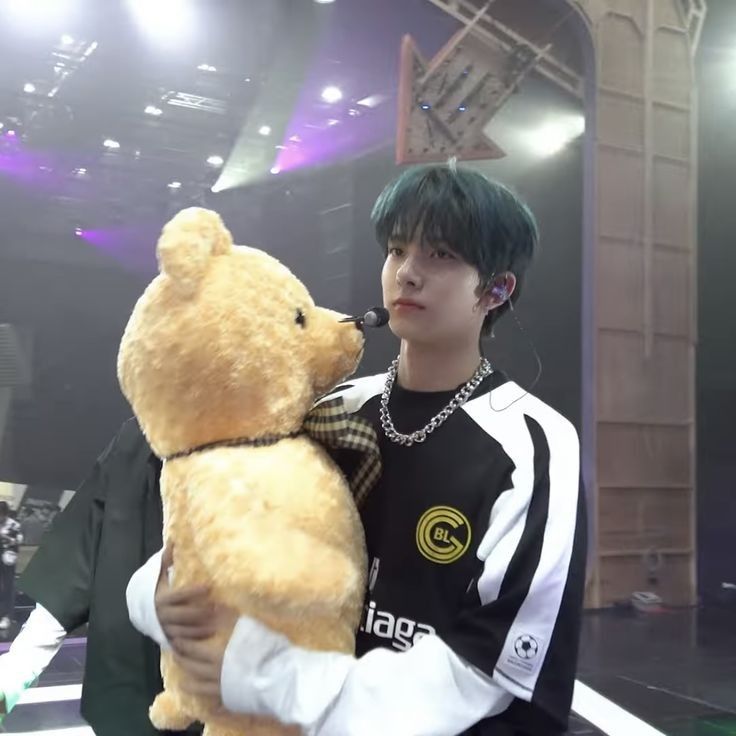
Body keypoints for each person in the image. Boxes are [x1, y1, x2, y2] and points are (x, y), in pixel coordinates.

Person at [127, 163, 588, 736]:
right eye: (397, 250)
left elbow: (486, 664)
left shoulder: (533, 442)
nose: (408, 274)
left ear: (496, 290)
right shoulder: (332, 410)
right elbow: (214, 524)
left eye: (441, 255)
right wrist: (155, 593)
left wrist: (273, 677)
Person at [0, 419, 201, 735]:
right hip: (134, 695)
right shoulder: (136, 441)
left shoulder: (262, 444)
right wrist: (13, 676)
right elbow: (78, 555)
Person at [0, 502, 22, 631]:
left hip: (7, 559)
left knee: (7, 587)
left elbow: (18, 541)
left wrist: (5, 537)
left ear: (6, 513)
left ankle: (7, 616)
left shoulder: (13, 525)